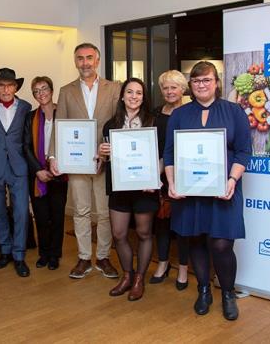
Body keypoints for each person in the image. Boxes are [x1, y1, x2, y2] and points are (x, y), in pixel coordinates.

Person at [164, 61, 251, 321]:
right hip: (189, 192)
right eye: (196, 81)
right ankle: (203, 290)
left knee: (221, 244)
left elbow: (245, 151)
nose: (201, 85)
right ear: (190, 85)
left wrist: (232, 180)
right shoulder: (179, 115)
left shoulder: (234, 112)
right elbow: (169, 151)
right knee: (196, 241)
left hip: (223, 190)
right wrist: (171, 182)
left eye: (207, 80)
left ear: (216, 83)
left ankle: (227, 293)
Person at [48, 43, 121, 280]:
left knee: (104, 212)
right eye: (80, 58)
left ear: (97, 60)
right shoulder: (66, 90)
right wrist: (52, 156)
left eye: (89, 58)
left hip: (105, 161)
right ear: (75, 61)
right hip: (76, 162)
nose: (85, 62)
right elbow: (59, 126)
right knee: (80, 211)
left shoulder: (114, 88)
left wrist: (107, 153)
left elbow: (118, 123)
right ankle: (83, 257)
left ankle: (102, 257)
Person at [98, 78, 159, 301]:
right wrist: (103, 152)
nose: (134, 96)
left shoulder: (153, 122)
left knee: (144, 233)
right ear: (122, 96)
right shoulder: (110, 125)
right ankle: (127, 275)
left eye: (139, 93)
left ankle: (139, 279)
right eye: (130, 92)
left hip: (145, 188)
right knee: (119, 234)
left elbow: (161, 157)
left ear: (144, 98)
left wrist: (153, 179)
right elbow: (104, 160)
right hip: (120, 187)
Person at [0, 68, 32, 277]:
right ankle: (5, 250)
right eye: (1, 85)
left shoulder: (26, 107)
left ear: (16, 87)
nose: (5, 89)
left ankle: (19, 255)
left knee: (21, 212)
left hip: (19, 166)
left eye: (10, 85)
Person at [23, 76, 68, 270]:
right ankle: (44, 253)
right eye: (36, 91)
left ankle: (55, 255)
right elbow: (25, 147)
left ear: (51, 90)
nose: (41, 93)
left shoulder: (64, 114)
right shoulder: (30, 117)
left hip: (60, 174)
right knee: (41, 218)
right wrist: (38, 171)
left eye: (44, 89)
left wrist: (59, 167)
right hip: (38, 176)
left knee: (57, 217)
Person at [150, 70, 190, 290]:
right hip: (159, 176)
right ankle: (163, 263)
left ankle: (183, 267)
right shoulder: (156, 113)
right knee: (162, 222)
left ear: (183, 89)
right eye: (165, 87)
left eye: (173, 87)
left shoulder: (190, 112)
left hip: (184, 175)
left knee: (182, 224)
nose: (169, 91)